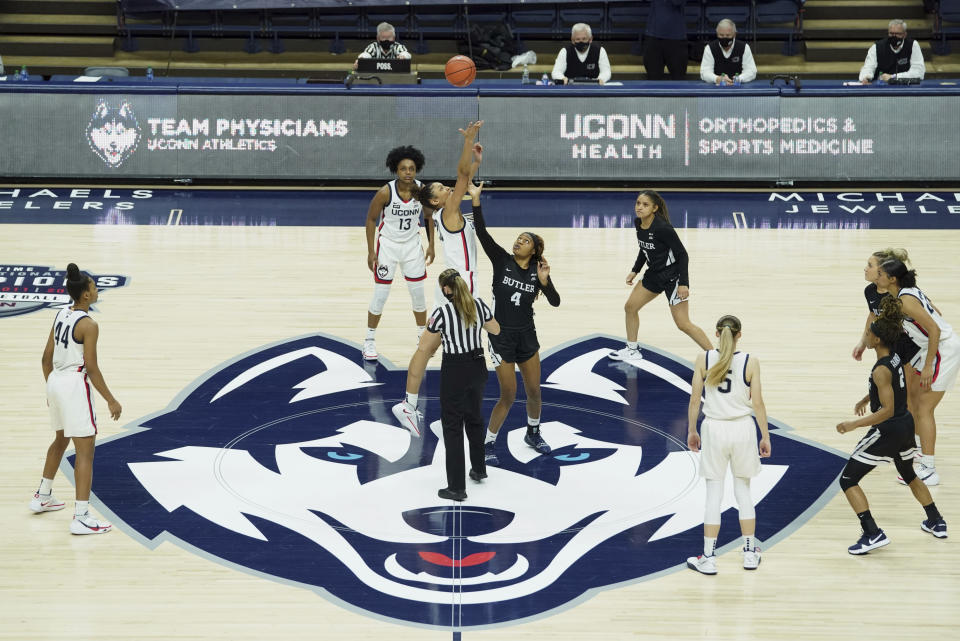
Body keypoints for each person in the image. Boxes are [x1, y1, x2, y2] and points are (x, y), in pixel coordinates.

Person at [836, 296, 947, 554]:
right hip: (906, 424)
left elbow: (885, 410)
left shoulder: (880, 370)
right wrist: (867, 397)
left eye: (871, 332)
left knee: (848, 479)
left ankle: (872, 532)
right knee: (908, 473)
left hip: (889, 428)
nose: (868, 333)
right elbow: (894, 388)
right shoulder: (895, 358)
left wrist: (853, 424)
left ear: (876, 341)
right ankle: (936, 520)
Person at [30, 263, 122, 535]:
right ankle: (82, 516)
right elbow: (91, 368)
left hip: (56, 382)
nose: (96, 290)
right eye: (94, 287)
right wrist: (110, 400)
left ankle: (43, 495)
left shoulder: (60, 314)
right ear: (85, 295)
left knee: (60, 440)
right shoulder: (89, 325)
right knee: (85, 451)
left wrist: (50, 389)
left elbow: (46, 359)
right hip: (73, 385)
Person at [393, 269, 500, 501]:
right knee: (474, 418)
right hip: (478, 366)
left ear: (445, 290)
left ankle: (457, 488)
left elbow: (424, 345)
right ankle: (479, 469)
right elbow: (495, 329)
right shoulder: (479, 305)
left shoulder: (441, 313)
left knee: (452, 427)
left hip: (456, 370)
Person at [470, 198, 561, 464]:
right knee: (508, 395)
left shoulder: (537, 270)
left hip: (526, 335)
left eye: (525, 241)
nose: (519, 242)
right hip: (501, 337)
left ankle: (533, 433)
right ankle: (487, 444)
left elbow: (555, 301)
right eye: (518, 239)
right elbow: (482, 233)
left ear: (534, 250)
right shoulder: (501, 260)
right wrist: (476, 202)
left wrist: (545, 282)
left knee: (534, 391)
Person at [686, 315, 770, 574]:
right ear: (739, 335)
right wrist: (765, 435)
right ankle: (748, 553)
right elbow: (758, 404)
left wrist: (691, 430)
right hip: (742, 428)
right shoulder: (750, 361)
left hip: (713, 428)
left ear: (715, 334)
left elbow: (694, 400)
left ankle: (709, 558)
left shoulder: (704, 358)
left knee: (714, 494)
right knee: (743, 490)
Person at [877, 258, 960, 486]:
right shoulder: (908, 291)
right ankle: (916, 451)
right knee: (913, 399)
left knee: (925, 408)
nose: (877, 276)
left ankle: (929, 469)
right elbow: (936, 312)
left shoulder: (905, 301)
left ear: (891, 279)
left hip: (942, 349)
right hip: (932, 347)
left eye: (881, 273)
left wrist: (927, 366)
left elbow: (933, 328)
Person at [609, 190, 712, 362]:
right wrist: (635, 269)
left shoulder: (663, 228)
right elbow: (645, 248)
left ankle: (716, 357)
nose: (640, 207)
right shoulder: (638, 223)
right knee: (630, 308)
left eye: (645, 204)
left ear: (655, 208)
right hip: (653, 275)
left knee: (683, 324)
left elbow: (682, 255)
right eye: (638, 203)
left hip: (672, 278)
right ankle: (632, 350)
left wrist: (683, 283)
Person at [362, 145, 435, 361]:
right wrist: (370, 251)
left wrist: (431, 245)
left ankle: (423, 337)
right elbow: (370, 219)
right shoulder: (386, 191)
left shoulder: (422, 190)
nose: (408, 172)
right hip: (388, 247)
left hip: (412, 247)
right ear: (396, 170)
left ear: (416, 170)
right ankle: (369, 340)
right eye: (403, 169)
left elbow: (429, 217)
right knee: (380, 295)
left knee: (418, 295)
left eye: (412, 168)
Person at [858, 19, 925, 84]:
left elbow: (918, 72)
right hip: (882, 87)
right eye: (891, 34)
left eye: (898, 34)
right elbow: (868, 67)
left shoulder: (913, 45)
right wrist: (866, 77)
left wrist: (893, 77)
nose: (894, 37)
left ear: (905, 35)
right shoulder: (877, 47)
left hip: (906, 87)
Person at [700, 19, 757, 86]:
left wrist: (739, 79)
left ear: (734, 34)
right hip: (716, 89)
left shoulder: (744, 47)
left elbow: (752, 71)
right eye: (721, 35)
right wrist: (717, 79)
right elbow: (704, 72)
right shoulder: (709, 48)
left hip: (738, 88)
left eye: (728, 35)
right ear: (717, 34)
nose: (724, 38)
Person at [644, 0, 688, 80]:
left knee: (679, 81)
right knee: (653, 80)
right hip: (653, 37)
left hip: (676, 39)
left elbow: (677, 2)